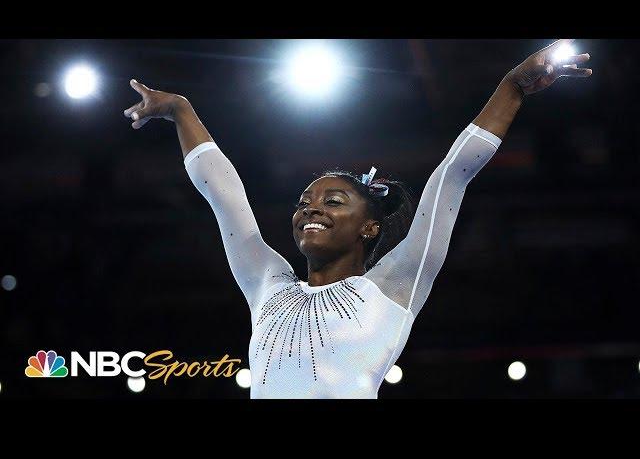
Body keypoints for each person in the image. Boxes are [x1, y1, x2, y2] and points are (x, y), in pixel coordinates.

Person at [124, 39, 591, 398]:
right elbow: (223, 194)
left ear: (370, 228)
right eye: (306, 200)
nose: (311, 208)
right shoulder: (268, 286)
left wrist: (512, 87)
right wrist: (180, 109)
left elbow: (452, 176)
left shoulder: (394, 286)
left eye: (333, 202)